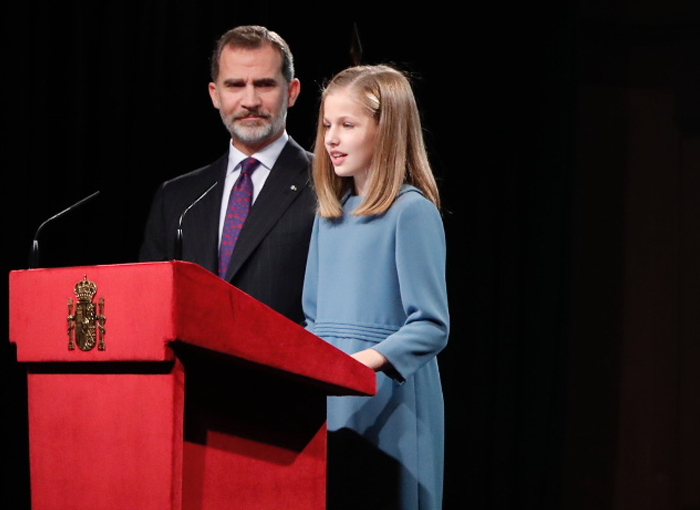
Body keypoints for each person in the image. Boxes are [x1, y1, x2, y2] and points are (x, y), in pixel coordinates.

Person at [302, 64, 450, 510]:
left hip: (389, 399)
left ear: (386, 131)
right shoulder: (330, 215)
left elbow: (430, 325)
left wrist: (355, 367)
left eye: (347, 125)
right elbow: (312, 318)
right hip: (329, 397)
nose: (331, 138)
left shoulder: (411, 212)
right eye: (327, 125)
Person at [139, 25, 315, 323]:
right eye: (235, 85)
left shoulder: (327, 184)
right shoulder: (176, 197)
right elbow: (147, 303)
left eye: (264, 85)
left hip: (285, 368)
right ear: (215, 94)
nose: (250, 101)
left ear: (292, 92)